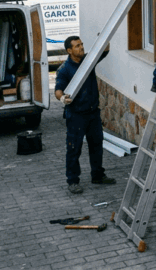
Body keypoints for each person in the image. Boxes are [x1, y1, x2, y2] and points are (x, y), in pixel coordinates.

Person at [54, 36, 115, 194]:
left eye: (81, 44)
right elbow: (58, 90)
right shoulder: (65, 69)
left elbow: (105, 50)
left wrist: (104, 38)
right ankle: (73, 181)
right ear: (69, 50)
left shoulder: (88, 61)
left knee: (96, 145)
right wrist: (62, 98)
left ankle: (98, 176)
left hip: (93, 113)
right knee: (74, 148)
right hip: (76, 116)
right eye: (77, 46)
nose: (81, 47)